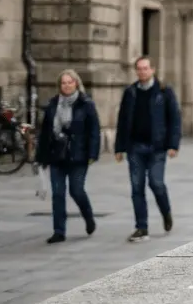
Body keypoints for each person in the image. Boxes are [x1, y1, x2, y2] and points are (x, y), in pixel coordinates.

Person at [114, 56, 180, 242]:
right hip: (135, 147)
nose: (142, 72)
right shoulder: (131, 92)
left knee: (156, 183)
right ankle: (141, 227)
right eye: (139, 69)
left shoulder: (164, 91)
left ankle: (166, 211)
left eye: (145, 68)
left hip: (157, 147)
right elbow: (122, 120)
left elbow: (174, 119)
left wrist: (173, 145)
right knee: (137, 187)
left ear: (153, 70)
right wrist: (119, 147)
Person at [35, 69, 101, 244]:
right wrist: (40, 156)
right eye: (63, 83)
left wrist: (93, 153)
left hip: (78, 155)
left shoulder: (86, 104)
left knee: (76, 190)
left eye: (70, 82)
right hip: (56, 155)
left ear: (76, 83)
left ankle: (88, 217)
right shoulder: (52, 104)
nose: (66, 86)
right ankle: (59, 231)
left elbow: (94, 130)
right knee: (58, 193)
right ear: (59, 85)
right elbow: (45, 132)